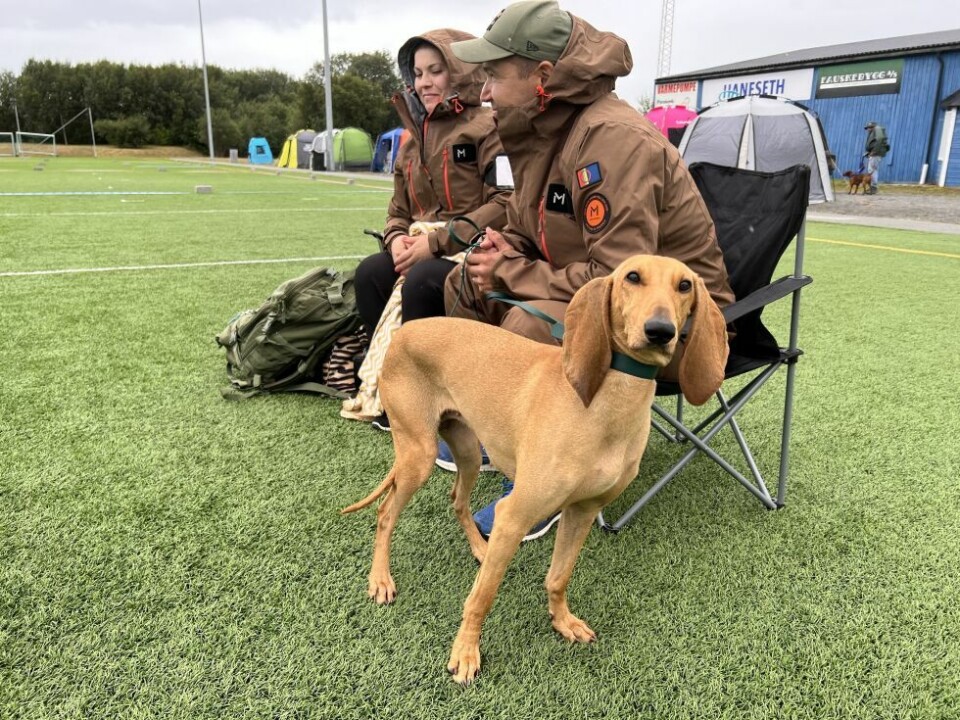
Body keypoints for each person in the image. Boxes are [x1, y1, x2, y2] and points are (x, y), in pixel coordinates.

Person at [446, 0, 735, 539]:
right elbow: (531, 222)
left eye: (494, 72)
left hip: (676, 325)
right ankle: (493, 429)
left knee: (532, 324)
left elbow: (621, 279)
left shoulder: (614, 139)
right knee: (462, 280)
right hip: (605, 293)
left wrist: (513, 273)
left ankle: (541, 486)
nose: (483, 89)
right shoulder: (541, 125)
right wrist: (498, 248)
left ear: (543, 76)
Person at [350, 29, 510, 431]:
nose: (424, 82)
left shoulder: (489, 128)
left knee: (423, 279)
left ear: (460, 73)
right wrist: (396, 238)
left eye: (436, 71)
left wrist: (435, 243)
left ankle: (429, 400)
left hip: (474, 245)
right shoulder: (410, 143)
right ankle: (390, 388)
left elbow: (505, 203)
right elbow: (397, 210)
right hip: (422, 243)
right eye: (418, 73)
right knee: (371, 272)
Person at [863, 121, 889, 194]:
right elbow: (875, 142)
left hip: (875, 153)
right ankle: (872, 187)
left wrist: (874, 151)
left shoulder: (877, 129)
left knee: (872, 170)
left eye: (868, 128)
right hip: (874, 153)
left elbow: (880, 139)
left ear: (872, 127)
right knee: (871, 169)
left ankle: (873, 187)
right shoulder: (874, 132)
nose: (867, 129)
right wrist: (869, 152)